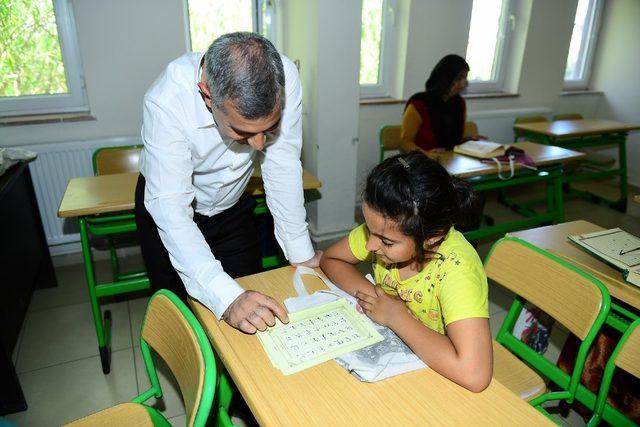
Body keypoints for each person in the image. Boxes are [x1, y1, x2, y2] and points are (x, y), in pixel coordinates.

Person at [135, 32, 321, 335]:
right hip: (172, 210)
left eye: (268, 129)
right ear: (207, 95)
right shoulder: (167, 100)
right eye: (243, 132)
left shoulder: (283, 76)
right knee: (181, 318)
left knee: (252, 308)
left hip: (233, 207)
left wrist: (301, 253)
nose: (260, 145)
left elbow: (281, 163)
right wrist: (227, 298)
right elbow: (171, 210)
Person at [319, 151, 492, 392]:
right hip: (406, 361)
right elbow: (332, 259)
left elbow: (475, 375)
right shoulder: (386, 226)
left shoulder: (458, 271)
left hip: (444, 370)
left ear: (431, 239)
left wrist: (395, 317)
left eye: (387, 242)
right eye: (369, 231)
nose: (370, 246)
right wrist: (377, 300)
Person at [400, 54, 485, 153]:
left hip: (451, 161)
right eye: (458, 79)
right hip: (422, 163)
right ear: (444, 78)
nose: (462, 84)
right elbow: (404, 143)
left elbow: (452, 142)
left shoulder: (459, 103)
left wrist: (468, 140)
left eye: (464, 79)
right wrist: (426, 155)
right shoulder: (419, 103)